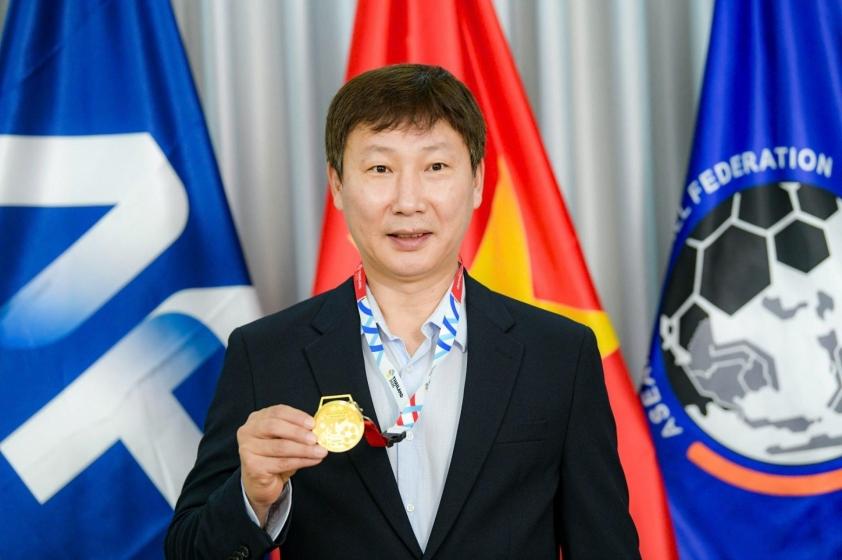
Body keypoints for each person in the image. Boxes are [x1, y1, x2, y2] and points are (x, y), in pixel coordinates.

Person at [165, 63, 639, 559]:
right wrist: (251, 496)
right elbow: (187, 552)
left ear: (477, 180)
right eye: (380, 169)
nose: (408, 202)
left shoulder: (558, 354)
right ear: (337, 185)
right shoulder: (265, 353)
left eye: (435, 167)